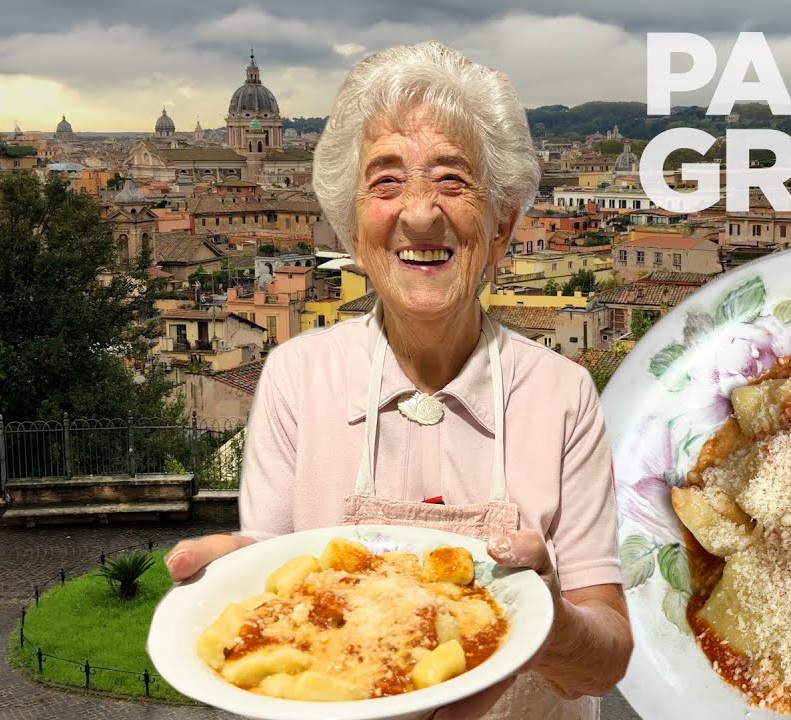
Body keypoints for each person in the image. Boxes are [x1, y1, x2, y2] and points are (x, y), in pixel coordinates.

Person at [165, 42, 632, 719]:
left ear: (502, 228)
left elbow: (606, 660)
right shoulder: (296, 377)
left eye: (452, 180)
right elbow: (273, 577)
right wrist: (240, 590)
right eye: (386, 182)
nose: (419, 213)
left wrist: (547, 619)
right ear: (354, 231)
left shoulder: (562, 394)